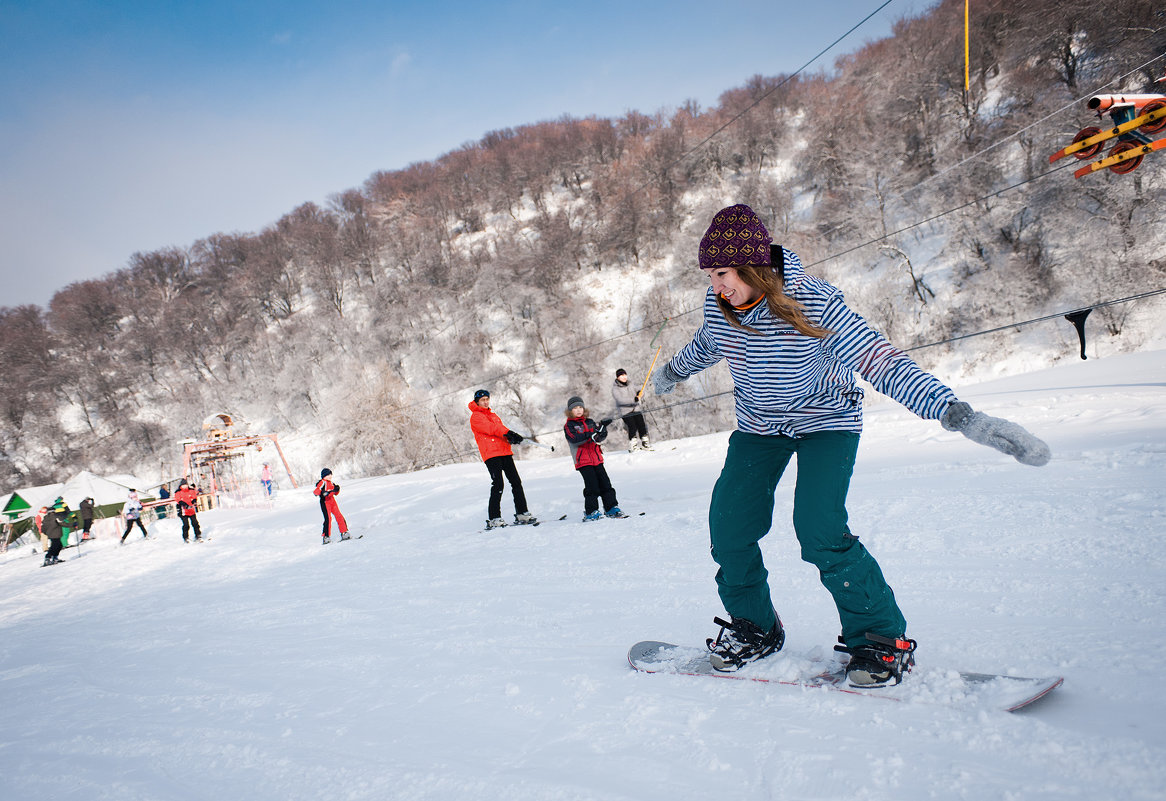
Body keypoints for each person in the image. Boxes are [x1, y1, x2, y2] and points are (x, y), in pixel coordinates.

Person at [653, 203, 1051, 687]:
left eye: (722, 274)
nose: (717, 286)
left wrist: (959, 415)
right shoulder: (721, 309)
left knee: (819, 528)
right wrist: (675, 370)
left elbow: (881, 361)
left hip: (827, 420)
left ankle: (880, 640)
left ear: (753, 266)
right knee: (729, 526)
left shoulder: (813, 304)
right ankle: (756, 627)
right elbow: (708, 343)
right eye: (711, 276)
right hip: (760, 426)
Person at [468, 389, 536, 529]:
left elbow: (500, 430)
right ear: (477, 402)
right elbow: (491, 429)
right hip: (492, 455)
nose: (486, 402)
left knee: (516, 482)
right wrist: (507, 432)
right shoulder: (476, 416)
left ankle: (522, 513)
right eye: (483, 400)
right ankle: (494, 518)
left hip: (504, 451)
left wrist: (511, 437)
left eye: (487, 399)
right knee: (498, 484)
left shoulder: (493, 415)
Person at [563, 396, 627, 521]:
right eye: (575, 408)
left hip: (596, 458)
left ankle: (611, 508)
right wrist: (590, 435)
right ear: (570, 411)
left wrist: (603, 427)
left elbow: (599, 436)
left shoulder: (590, 421)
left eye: (580, 407)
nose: (578, 410)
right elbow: (574, 439)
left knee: (605, 484)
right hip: (583, 461)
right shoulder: (569, 425)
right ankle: (591, 511)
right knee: (592, 486)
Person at [611, 368, 651, 451]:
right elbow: (620, 400)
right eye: (621, 375)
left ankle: (645, 443)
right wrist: (634, 399)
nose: (624, 377)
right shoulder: (615, 389)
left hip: (636, 409)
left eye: (625, 375)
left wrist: (640, 393)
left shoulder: (631, 384)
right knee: (632, 426)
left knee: (641, 424)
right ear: (618, 377)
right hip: (625, 411)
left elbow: (639, 391)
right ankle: (633, 445)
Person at [313, 468, 350, 544]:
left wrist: (337, 489)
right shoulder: (322, 482)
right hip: (325, 502)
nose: (330, 476)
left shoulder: (331, 483)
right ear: (324, 476)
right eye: (328, 474)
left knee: (339, 515)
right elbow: (316, 491)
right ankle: (326, 537)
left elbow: (335, 492)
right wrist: (322, 493)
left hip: (332, 501)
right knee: (328, 519)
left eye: (331, 474)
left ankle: (344, 533)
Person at [40, 497, 73, 566]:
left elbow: (43, 528)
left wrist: (47, 532)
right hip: (56, 533)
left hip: (50, 534)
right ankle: (48, 558)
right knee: (55, 546)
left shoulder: (45, 518)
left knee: (58, 545)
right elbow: (62, 523)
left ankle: (54, 557)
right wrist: (72, 525)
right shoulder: (56, 516)